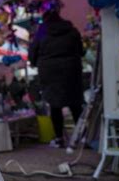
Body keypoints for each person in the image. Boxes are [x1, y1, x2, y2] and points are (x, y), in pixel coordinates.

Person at [29, 9, 84, 148]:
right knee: (75, 105)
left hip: (50, 72)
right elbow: (81, 50)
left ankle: (59, 139)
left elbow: (33, 52)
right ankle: (81, 137)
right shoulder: (71, 30)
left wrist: (36, 62)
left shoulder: (42, 32)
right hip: (72, 70)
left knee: (55, 106)